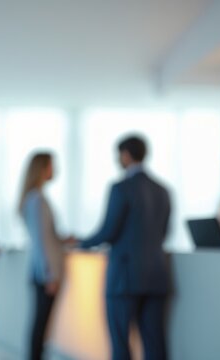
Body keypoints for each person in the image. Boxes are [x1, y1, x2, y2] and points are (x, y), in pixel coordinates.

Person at [78, 136, 171, 360]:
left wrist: (80, 243)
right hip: (156, 276)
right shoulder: (163, 190)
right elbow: (164, 232)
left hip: (125, 278)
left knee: (120, 343)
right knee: (155, 344)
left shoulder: (121, 188)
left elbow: (108, 231)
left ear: (126, 155)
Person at [18, 152, 74, 360]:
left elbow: (46, 236)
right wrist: (50, 274)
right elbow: (41, 241)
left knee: (40, 326)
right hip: (44, 273)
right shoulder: (37, 200)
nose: (55, 170)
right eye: (52, 166)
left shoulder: (35, 198)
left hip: (41, 271)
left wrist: (61, 239)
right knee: (40, 327)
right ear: (43, 169)